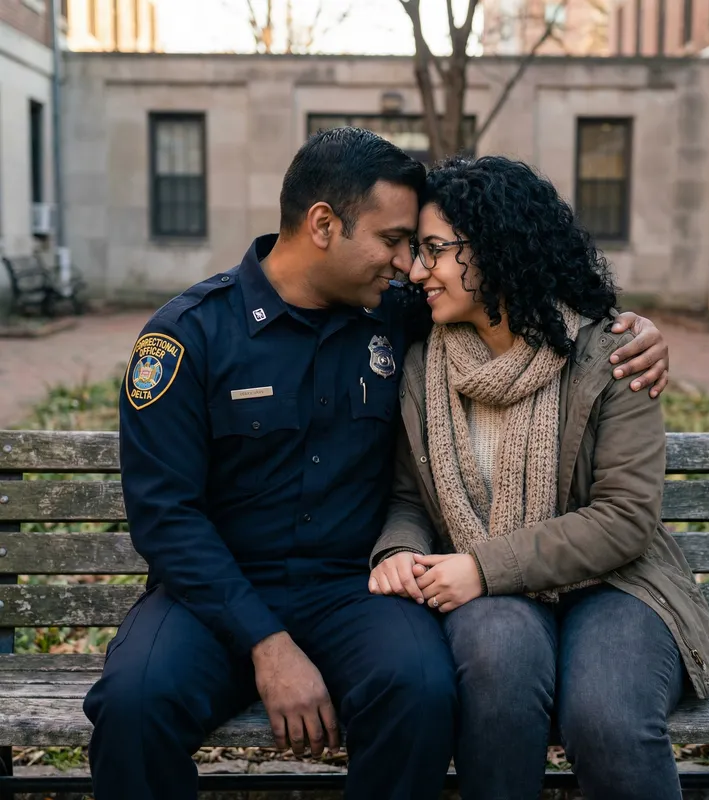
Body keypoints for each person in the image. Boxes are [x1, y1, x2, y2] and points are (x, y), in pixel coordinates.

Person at [83, 129, 671, 800]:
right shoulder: (188, 337)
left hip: (347, 589)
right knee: (131, 708)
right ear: (324, 225)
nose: (407, 265)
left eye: (418, 247)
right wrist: (268, 644)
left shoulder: (399, 316)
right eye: (394, 241)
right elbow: (165, 517)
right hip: (214, 594)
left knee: (419, 690)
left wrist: (639, 334)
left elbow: (520, 302)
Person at [369, 155, 709, 800]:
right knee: (498, 666)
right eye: (415, 251)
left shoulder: (609, 357)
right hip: (489, 595)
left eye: (434, 251)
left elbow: (624, 519)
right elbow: (408, 496)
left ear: (496, 250)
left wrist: (481, 566)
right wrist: (401, 548)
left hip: (618, 586)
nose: (417, 270)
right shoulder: (421, 365)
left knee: (608, 716)